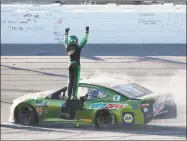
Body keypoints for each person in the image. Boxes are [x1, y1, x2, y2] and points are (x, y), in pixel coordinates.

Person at [63, 26, 89, 100]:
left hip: (70, 64)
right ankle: (74, 96)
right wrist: (86, 32)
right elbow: (84, 41)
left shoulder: (67, 46)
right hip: (76, 65)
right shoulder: (78, 47)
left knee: (70, 81)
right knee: (75, 81)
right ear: (76, 41)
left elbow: (65, 41)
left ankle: (68, 96)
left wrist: (66, 33)